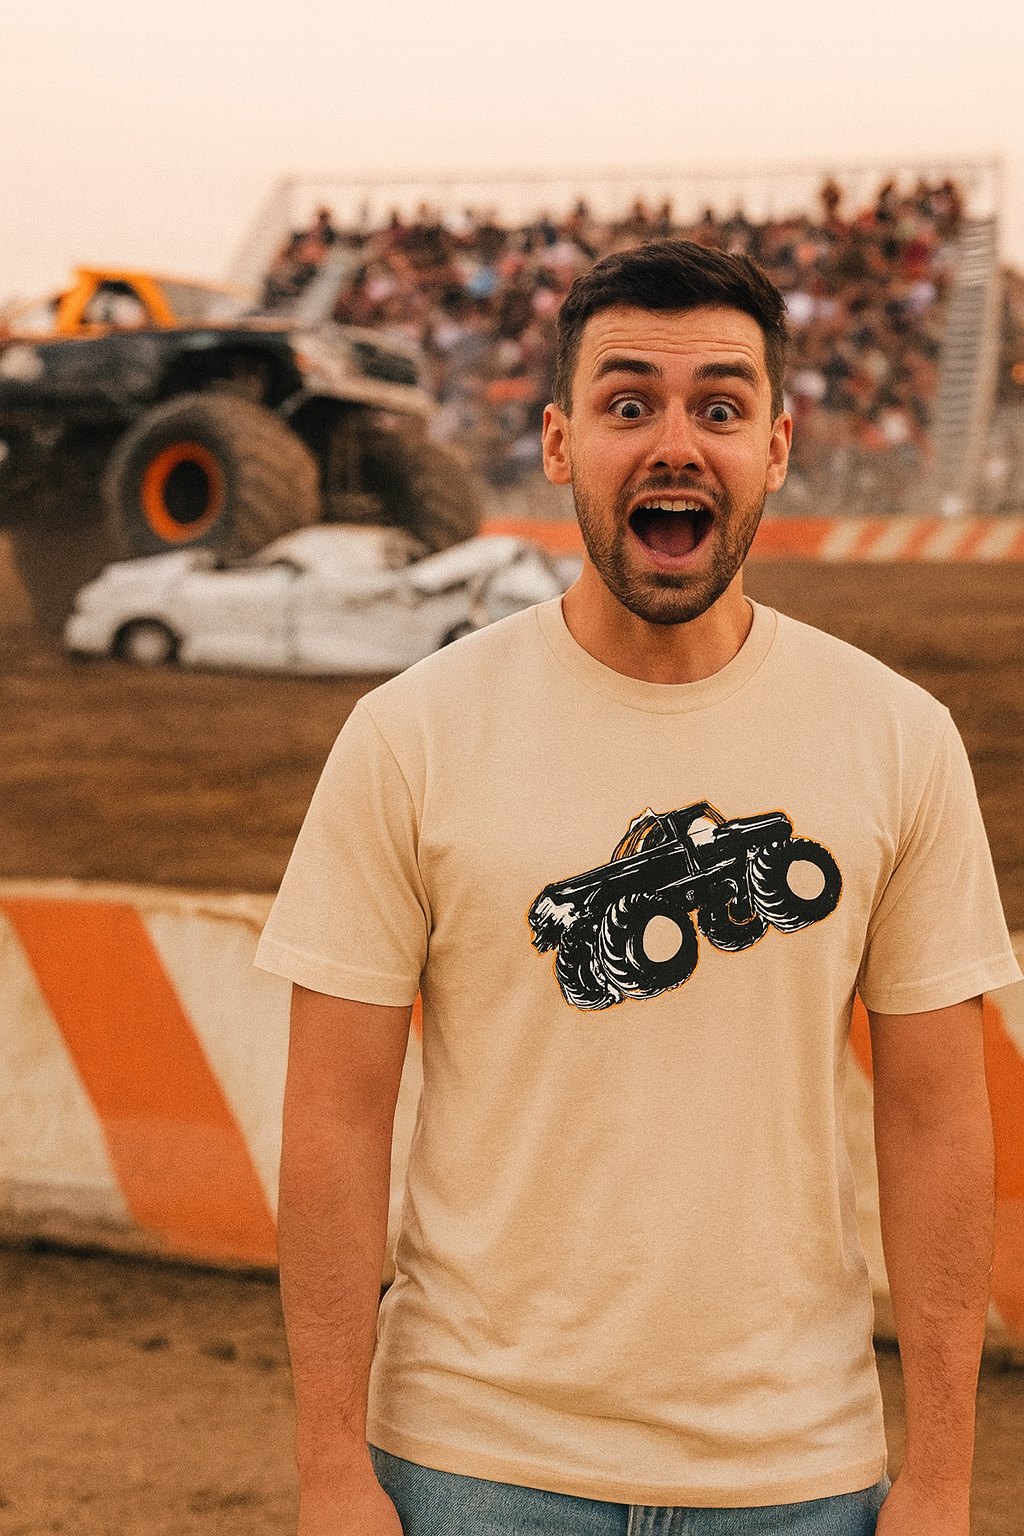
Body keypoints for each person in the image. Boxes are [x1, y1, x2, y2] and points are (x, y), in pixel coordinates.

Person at [255, 241, 1021, 1536]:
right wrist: (333, 1468)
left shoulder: (892, 737)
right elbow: (335, 1119)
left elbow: (940, 1125)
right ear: (560, 443)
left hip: (798, 1471)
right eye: (629, 404)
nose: (676, 442)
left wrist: (942, 1477)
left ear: (778, 446)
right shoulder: (413, 733)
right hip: (472, 1460)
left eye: (719, 407)